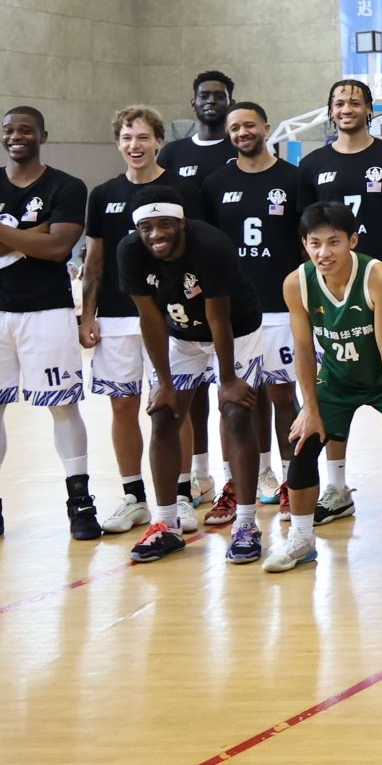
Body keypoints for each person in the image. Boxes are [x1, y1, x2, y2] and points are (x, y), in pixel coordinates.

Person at [0, 106, 99, 550]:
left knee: (63, 406)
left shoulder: (66, 185)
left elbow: (59, 248)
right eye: (9, 130)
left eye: (25, 130)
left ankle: (80, 502)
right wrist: (33, 235)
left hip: (46, 312)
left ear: (42, 136)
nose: (16, 136)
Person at [267, 204, 382, 573]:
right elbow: (303, 349)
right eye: (315, 243)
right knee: (302, 444)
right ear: (304, 244)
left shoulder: (379, 276)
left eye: (334, 242)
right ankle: (301, 539)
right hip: (337, 375)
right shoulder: (296, 283)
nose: (324, 252)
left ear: (353, 241)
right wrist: (309, 407)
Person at [115, 185, 265, 564]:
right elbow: (150, 318)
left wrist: (227, 381)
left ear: (181, 223)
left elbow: (219, 317)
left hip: (235, 330)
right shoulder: (129, 251)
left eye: (165, 225)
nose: (156, 235)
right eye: (146, 228)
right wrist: (164, 384)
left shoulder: (211, 246)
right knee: (163, 415)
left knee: (236, 413)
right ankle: (166, 525)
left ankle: (246, 524)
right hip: (181, 336)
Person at [300, 76, 382, 522]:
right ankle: (336, 487)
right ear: (330, 110)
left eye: (355, 101)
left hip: (381, 285)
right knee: (336, 379)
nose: (347, 107)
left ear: (370, 109)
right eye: (339, 102)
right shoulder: (312, 164)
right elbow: (307, 228)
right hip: (332, 292)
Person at [200, 99, 312, 522]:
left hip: (282, 306)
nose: (242, 133)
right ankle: (236, 483)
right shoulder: (215, 183)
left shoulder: (293, 178)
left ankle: (292, 481)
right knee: (234, 399)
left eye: (249, 125)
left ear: (266, 128)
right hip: (234, 310)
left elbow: (306, 245)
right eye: (235, 128)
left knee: (283, 394)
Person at [81, 105, 188, 537]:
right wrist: (87, 314)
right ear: (118, 144)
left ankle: (181, 493)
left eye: (143, 137)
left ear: (159, 141)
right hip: (117, 316)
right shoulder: (102, 194)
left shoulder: (180, 189)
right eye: (126, 138)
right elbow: (94, 260)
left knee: (172, 405)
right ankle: (133, 496)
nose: (134, 145)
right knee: (122, 405)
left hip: (170, 315)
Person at [156, 70, 237, 187]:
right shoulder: (171, 153)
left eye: (219, 97)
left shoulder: (241, 149)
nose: (211, 101)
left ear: (232, 104)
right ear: (193, 104)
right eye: (204, 96)